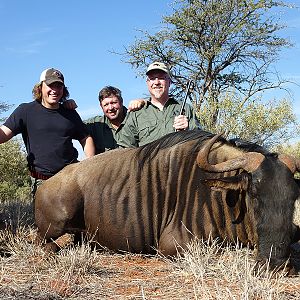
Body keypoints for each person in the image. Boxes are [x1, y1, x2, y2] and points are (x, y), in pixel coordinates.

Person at [0, 67, 95, 195]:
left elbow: (86, 138)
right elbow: (3, 134)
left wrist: (89, 164)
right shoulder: (25, 111)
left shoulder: (70, 113)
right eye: (50, 85)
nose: (55, 90)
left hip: (71, 178)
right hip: (43, 182)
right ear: (40, 87)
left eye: (59, 86)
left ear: (63, 89)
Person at [118, 61, 201, 147]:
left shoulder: (186, 109)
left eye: (161, 78)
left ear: (169, 82)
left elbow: (201, 140)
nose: (157, 82)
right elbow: (125, 148)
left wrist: (189, 129)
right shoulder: (136, 113)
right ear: (148, 83)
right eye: (152, 78)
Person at [85, 86, 144, 154]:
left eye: (113, 103)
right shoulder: (95, 124)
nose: (110, 108)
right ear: (101, 106)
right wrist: (69, 104)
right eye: (106, 104)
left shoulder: (135, 117)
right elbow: (73, 126)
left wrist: (143, 101)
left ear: (121, 102)